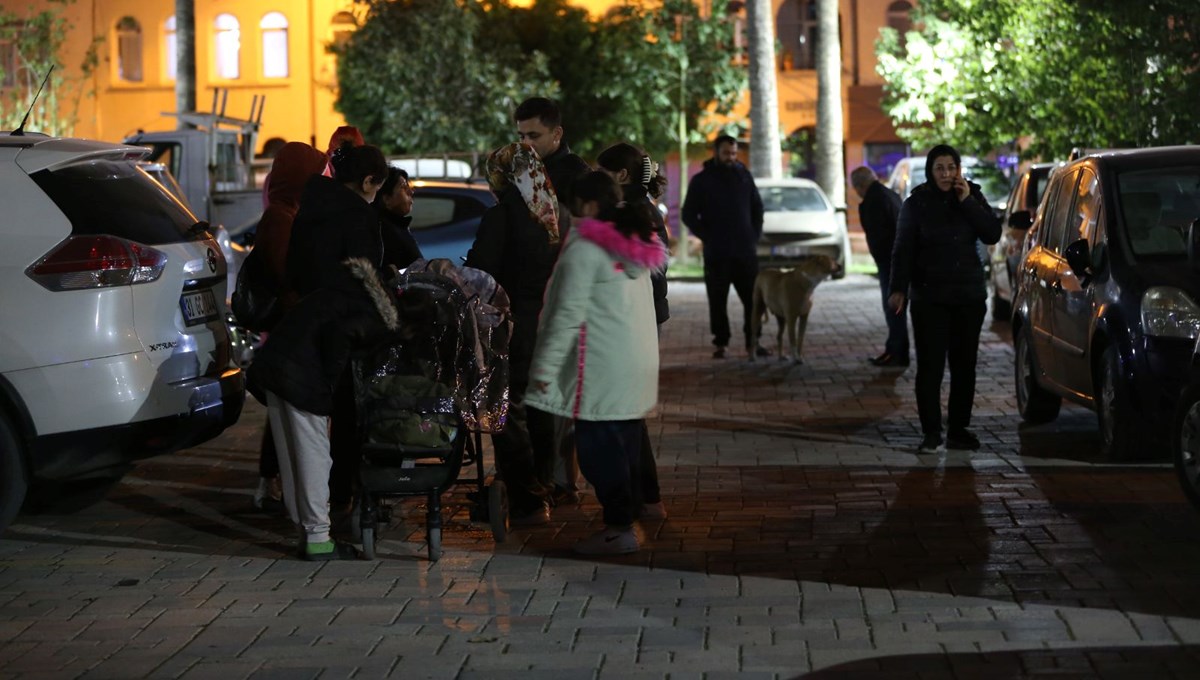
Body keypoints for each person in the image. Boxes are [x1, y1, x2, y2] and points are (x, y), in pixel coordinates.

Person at [250, 142, 391, 560]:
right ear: (368, 182)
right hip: (308, 355)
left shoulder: (308, 212)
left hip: (285, 345)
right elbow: (366, 282)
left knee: (294, 447)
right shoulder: (356, 220)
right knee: (313, 448)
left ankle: (305, 527)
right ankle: (317, 538)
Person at [526, 171, 667, 555]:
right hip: (632, 363)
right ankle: (627, 521)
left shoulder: (586, 250)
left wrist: (543, 372)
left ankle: (619, 527)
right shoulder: (632, 241)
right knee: (623, 447)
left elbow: (564, 317)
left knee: (598, 451)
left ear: (584, 206)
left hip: (600, 368)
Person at [464, 143, 561, 525]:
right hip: (549, 322)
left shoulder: (503, 217)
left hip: (513, 325)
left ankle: (528, 497)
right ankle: (547, 486)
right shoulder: (552, 213)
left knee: (507, 408)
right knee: (540, 405)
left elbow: (483, 271)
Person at [888, 144, 1002, 454]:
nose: (946, 174)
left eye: (951, 167)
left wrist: (967, 201)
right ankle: (930, 431)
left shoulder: (971, 195)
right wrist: (898, 288)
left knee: (965, 366)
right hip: (930, 297)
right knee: (931, 366)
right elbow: (903, 250)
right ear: (930, 170)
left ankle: (959, 429)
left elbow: (992, 233)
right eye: (940, 168)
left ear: (959, 169)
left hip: (969, 295)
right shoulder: (916, 203)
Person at [248, 141, 328, 510]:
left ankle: (282, 486)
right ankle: (277, 487)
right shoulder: (281, 218)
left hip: (294, 324)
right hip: (289, 327)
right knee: (289, 408)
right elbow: (286, 276)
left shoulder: (291, 211)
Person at [597, 142, 669, 520]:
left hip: (631, 324)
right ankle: (646, 499)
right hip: (642, 322)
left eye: (604, 173)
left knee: (625, 415)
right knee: (629, 415)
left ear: (621, 176)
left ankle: (643, 501)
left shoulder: (632, 214)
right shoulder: (644, 210)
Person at [681, 135, 768, 359]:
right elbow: (688, 213)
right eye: (726, 153)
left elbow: (757, 208)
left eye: (733, 153)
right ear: (716, 153)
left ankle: (753, 341)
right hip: (717, 253)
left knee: (753, 299)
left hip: (745, 252)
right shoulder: (702, 180)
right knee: (717, 300)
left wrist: (753, 235)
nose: (731, 157)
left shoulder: (744, 176)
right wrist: (708, 236)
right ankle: (721, 342)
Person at [850, 166, 908, 368]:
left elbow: (880, 235)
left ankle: (896, 351)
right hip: (896, 259)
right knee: (896, 308)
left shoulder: (874, 200)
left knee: (893, 307)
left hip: (890, 261)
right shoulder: (888, 194)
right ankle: (898, 350)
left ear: (859, 185)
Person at [514, 97, 590, 206]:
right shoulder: (522, 170)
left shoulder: (577, 176)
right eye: (522, 136)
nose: (526, 143)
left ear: (557, 134)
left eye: (534, 136)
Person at [373, 167, 423, 270]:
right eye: (403, 187)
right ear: (386, 199)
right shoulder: (385, 232)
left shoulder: (396, 226)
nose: (411, 192)